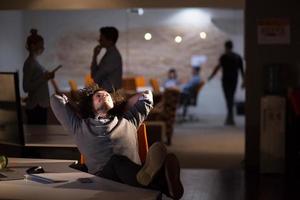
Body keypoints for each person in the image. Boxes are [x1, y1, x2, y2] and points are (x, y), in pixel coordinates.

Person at [50, 85, 183, 199]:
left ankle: (157, 181)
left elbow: (146, 96)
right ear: (90, 106)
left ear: (114, 103)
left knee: (122, 163)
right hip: (103, 180)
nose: (104, 96)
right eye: (98, 96)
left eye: (107, 95)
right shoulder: (79, 126)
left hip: (130, 176)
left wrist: (124, 106)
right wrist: (75, 108)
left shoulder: (129, 120)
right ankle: (162, 182)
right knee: (116, 161)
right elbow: (55, 100)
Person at [23, 29, 55, 124]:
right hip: (36, 106)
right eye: (41, 45)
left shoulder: (35, 62)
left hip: (40, 105)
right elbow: (26, 87)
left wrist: (47, 77)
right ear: (33, 46)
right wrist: (44, 78)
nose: (43, 48)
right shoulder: (29, 63)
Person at [208, 40, 244, 125]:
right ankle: (230, 117)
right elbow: (242, 71)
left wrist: (211, 77)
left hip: (226, 81)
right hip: (233, 80)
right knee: (230, 98)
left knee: (229, 98)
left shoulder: (224, 57)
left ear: (226, 47)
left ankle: (230, 117)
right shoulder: (237, 57)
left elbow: (217, 68)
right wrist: (243, 81)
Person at [90, 27, 122, 92]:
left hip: (109, 94)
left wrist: (95, 56)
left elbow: (95, 77)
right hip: (107, 92)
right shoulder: (110, 54)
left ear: (110, 40)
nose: (99, 40)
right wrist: (95, 56)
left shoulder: (112, 56)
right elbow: (94, 76)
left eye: (101, 38)